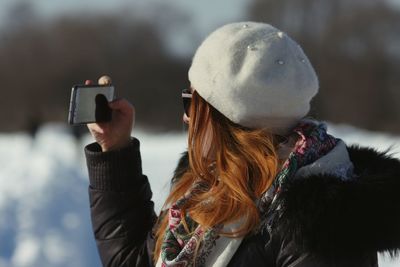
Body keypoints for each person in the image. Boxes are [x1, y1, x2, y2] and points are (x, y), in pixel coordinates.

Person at [84, 22, 400, 267]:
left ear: (230, 118)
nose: (187, 119)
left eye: (192, 103)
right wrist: (115, 150)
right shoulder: (208, 185)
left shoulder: (320, 226)